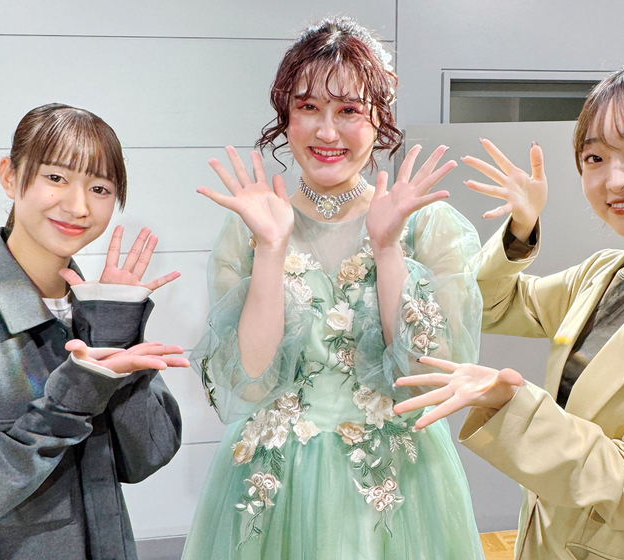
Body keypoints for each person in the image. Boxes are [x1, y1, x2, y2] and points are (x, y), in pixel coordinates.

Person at [394, 58, 624, 560]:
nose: (616, 180)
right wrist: (521, 228)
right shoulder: (604, 274)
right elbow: (487, 304)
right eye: (594, 158)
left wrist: (514, 406)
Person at [183, 17, 485, 559]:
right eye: (308, 107)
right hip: (276, 481)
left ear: (380, 118)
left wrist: (388, 249)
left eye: (348, 110)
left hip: (394, 485)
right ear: (286, 115)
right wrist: (271, 248)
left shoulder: (426, 224)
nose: (327, 132)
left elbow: (426, 380)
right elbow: (248, 382)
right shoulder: (253, 224)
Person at [0, 103, 188, 559]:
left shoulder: (93, 309)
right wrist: (71, 398)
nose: (78, 206)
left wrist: (115, 330)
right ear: (10, 177)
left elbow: (148, 456)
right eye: (56, 177)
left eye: (99, 188)